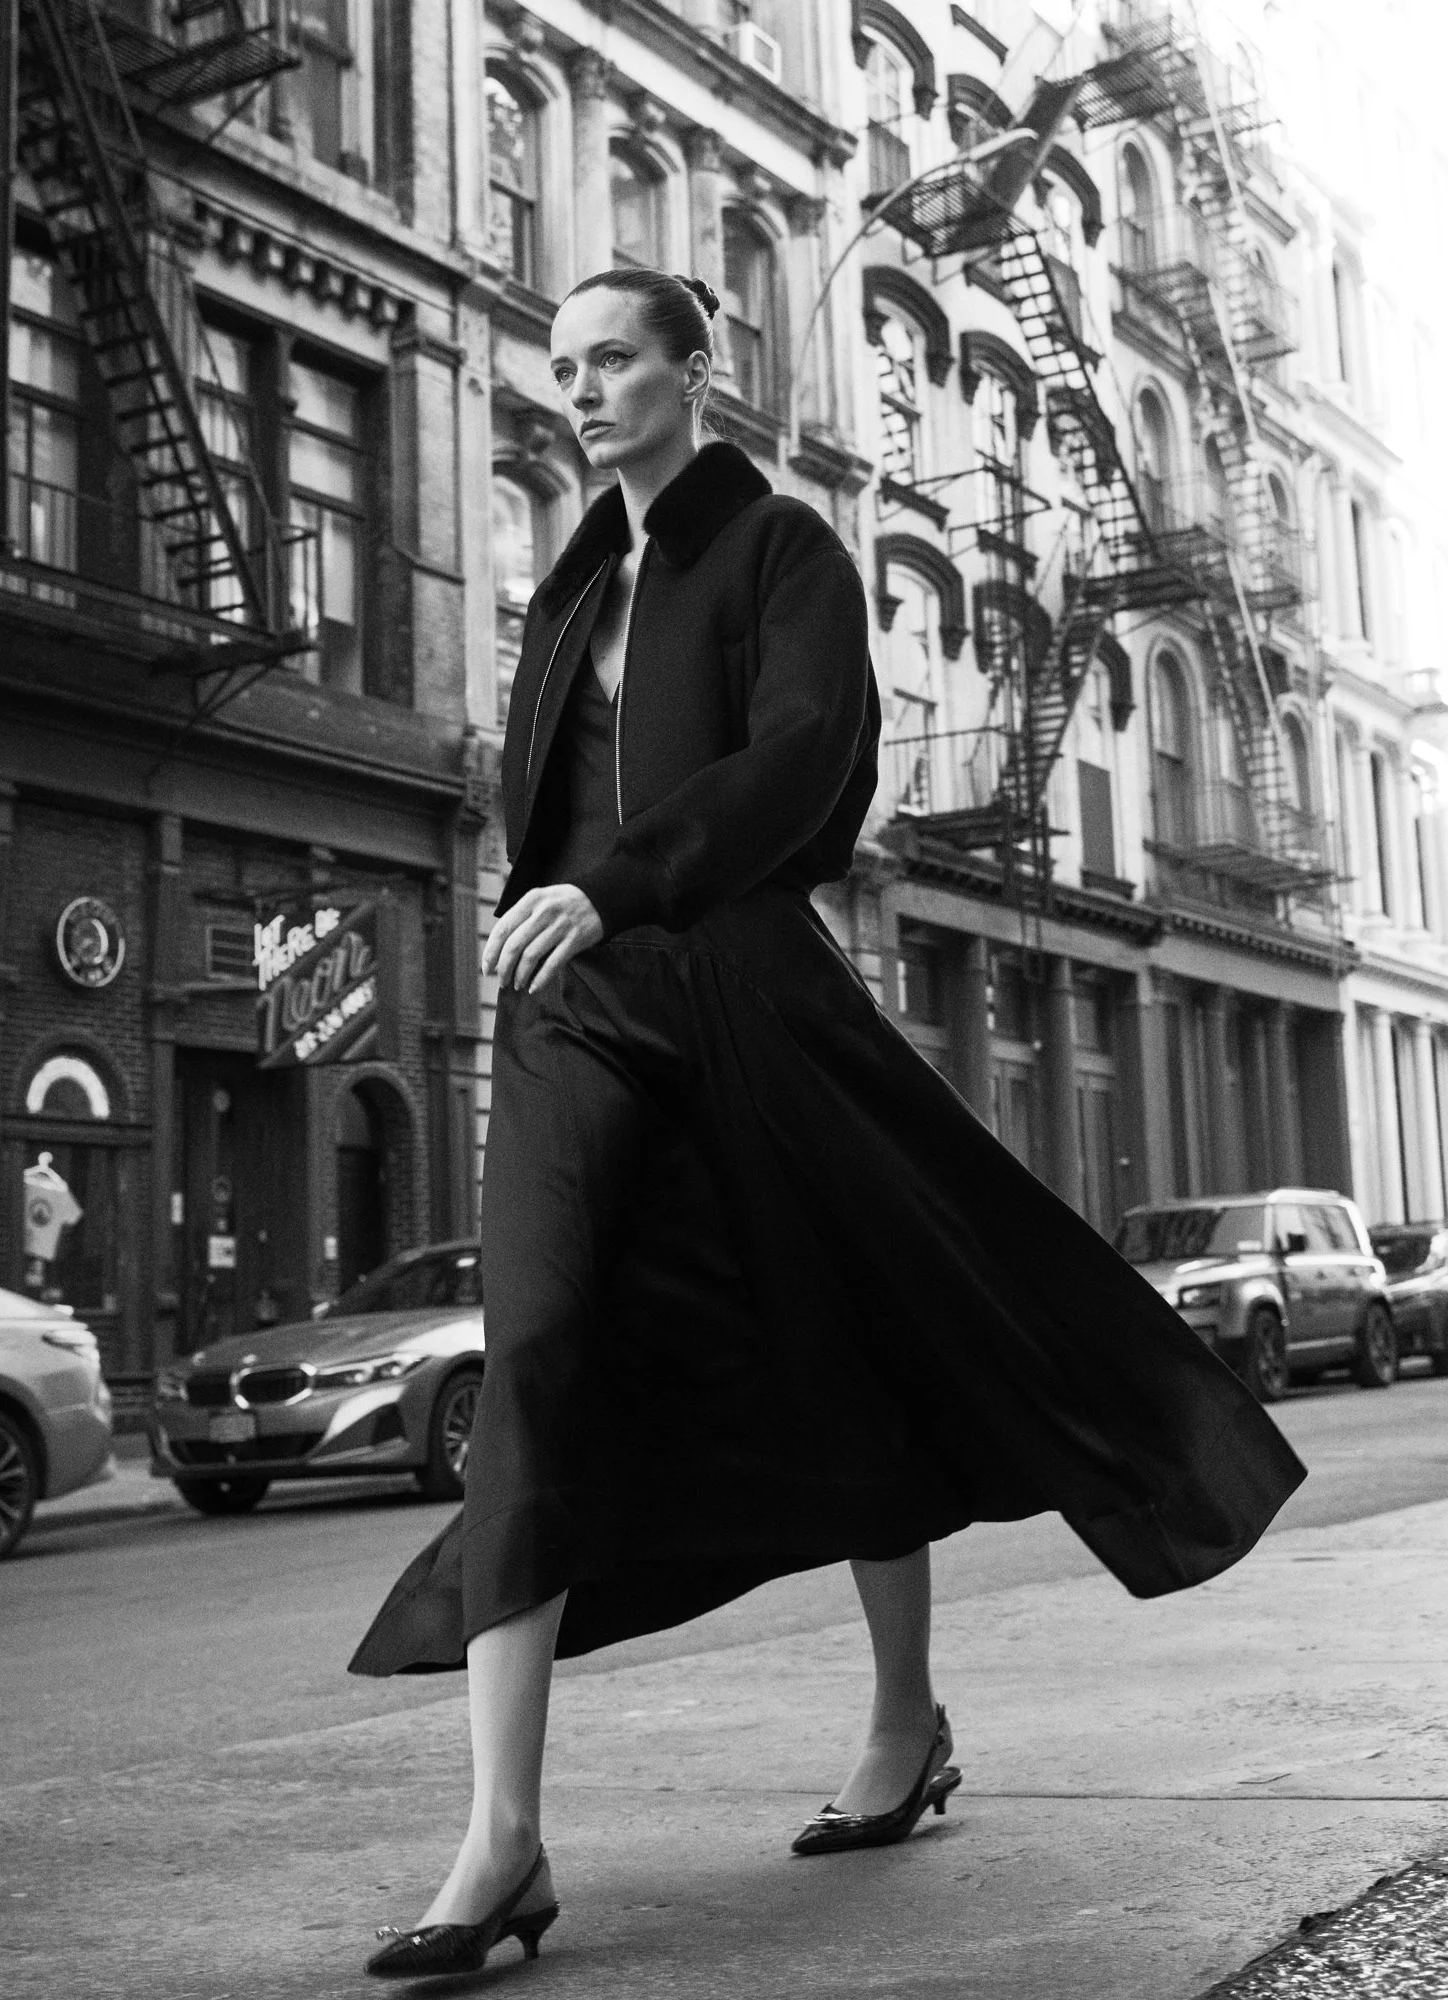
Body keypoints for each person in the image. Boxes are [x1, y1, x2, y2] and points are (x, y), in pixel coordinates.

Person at [350, 268, 1306, 1981]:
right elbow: (545, 805)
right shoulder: (570, 583)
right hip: (574, 1007)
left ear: (695, 373)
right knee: (542, 1350)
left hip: (738, 981)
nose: (581, 388)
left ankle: (903, 1719)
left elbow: (809, 758)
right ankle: (502, 1842)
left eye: (616, 358)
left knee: (845, 1328)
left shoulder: (783, 546)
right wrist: (557, 914)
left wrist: (628, 883)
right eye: (563, 364)